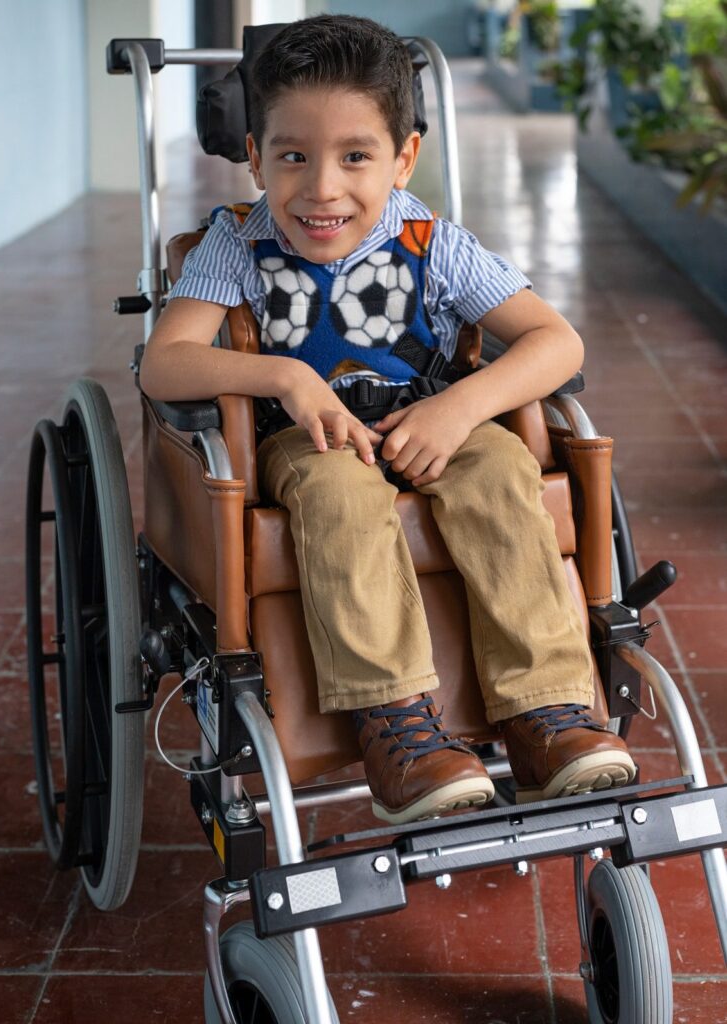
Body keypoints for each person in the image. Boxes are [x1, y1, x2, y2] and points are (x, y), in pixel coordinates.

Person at [140, 13, 635, 825]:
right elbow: (167, 361)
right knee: (340, 492)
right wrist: (286, 377)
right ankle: (396, 726)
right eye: (293, 156)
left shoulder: (431, 240)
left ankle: (546, 715)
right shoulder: (236, 243)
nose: (322, 188)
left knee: (504, 470)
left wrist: (462, 406)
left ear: (403, 158)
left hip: (435, 419)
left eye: (355, 156)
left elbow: (555, 340)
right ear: (257, 158)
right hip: (311, 442)